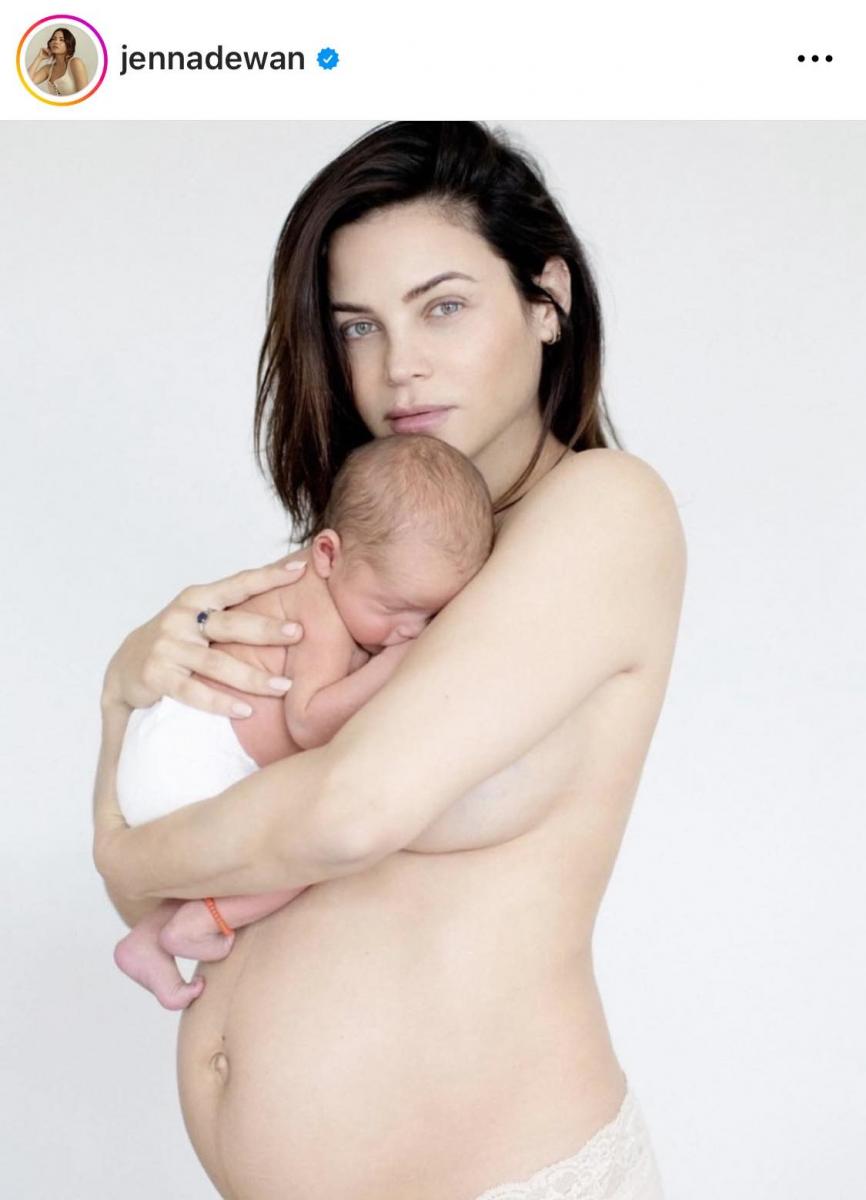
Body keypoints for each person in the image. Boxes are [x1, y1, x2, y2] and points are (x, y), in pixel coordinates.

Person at [93, 122, 686, 1200]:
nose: (397, 365)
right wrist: (122, 695)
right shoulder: (377, 568)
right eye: (358, 326)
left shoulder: (604, 510)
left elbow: (345, 811)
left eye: (442, 306)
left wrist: (122, 857)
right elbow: (198, 852)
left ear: (547, 298)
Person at [112, 434, 494, 1011]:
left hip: (167, 760)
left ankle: (147, 939)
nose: (410, 630)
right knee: (314, 847)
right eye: (393, 608)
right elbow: (310, 723)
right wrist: (393, 665)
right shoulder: (319, 611)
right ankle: (204, 918)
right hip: (192, 765)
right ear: (328, 555)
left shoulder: (332, 588)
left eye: (429, 615)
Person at [27, 27, 88, 97]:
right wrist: (39, 58)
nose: (56, 42)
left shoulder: (75, 63)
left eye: (61, 40)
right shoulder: (48, 69)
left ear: (69, 44)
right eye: (53, 39)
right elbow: (26, 82)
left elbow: (84, 96)